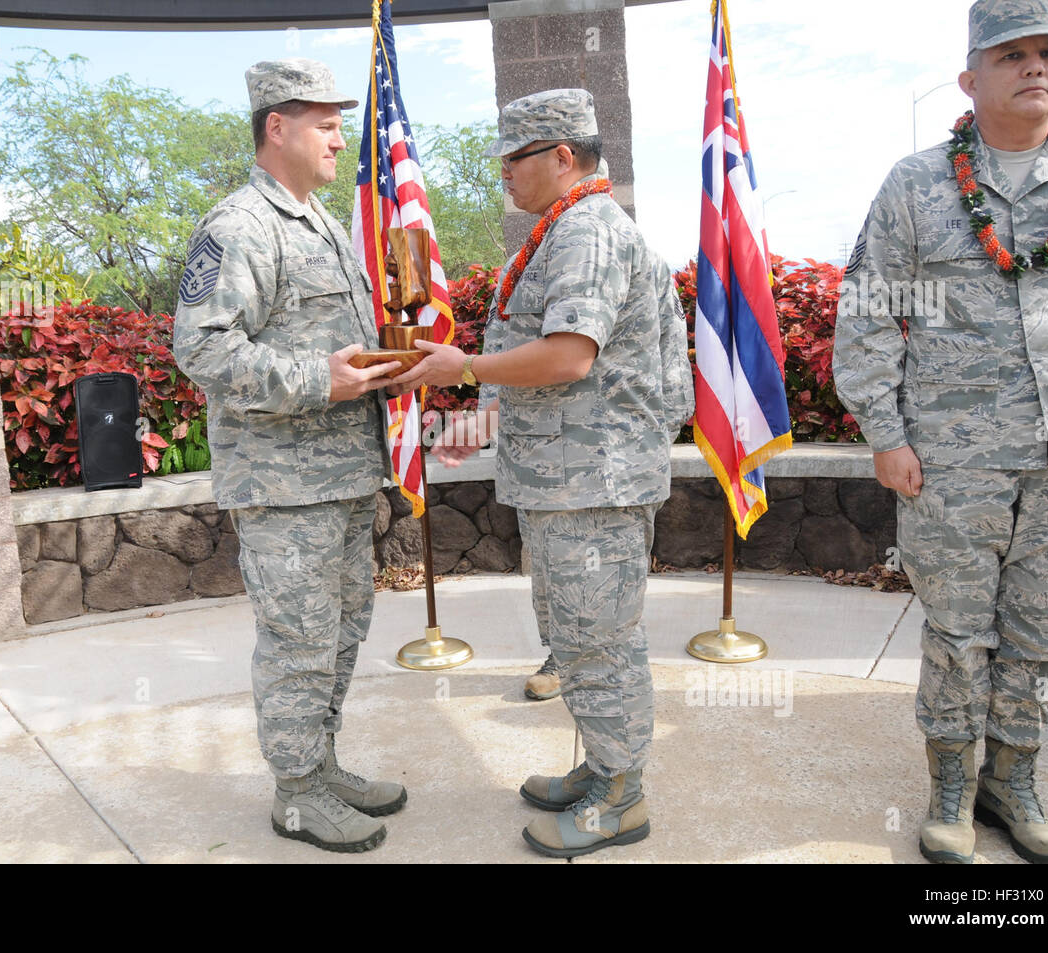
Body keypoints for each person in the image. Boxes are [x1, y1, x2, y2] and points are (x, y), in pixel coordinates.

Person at [396, 88, 692, 858]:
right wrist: (476, 422)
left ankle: (621, 795)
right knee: (579, 634)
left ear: (564, 157)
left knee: (599, 641)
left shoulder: (586, 233)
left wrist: (462, 364)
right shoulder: (567, 230)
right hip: (569, 477)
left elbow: (568, 355)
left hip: (592, 483)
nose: (504, 175)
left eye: (515, 159)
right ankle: (600, 766)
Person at [833, 0, 1048, 865]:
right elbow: (867, 311)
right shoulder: (918, 184)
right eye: (1013, 53)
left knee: (1047, 627)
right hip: (952, 458)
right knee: (956, 629)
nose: (1036, 67)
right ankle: (950, 783)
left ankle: (1011, 782)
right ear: (970, 77)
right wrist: (885, 431)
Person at [172, 58, 408, 854]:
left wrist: (386, 365)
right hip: (283, 487)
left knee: (340, 634)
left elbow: (333, 350)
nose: (342, 137)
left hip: (339, 477)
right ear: (277, 126)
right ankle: (297, 791)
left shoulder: (322, 222)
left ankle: (320, 763)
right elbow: (199, 346)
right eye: (326, 122)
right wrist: (320, 378)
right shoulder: (239, 225)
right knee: (298, 641)